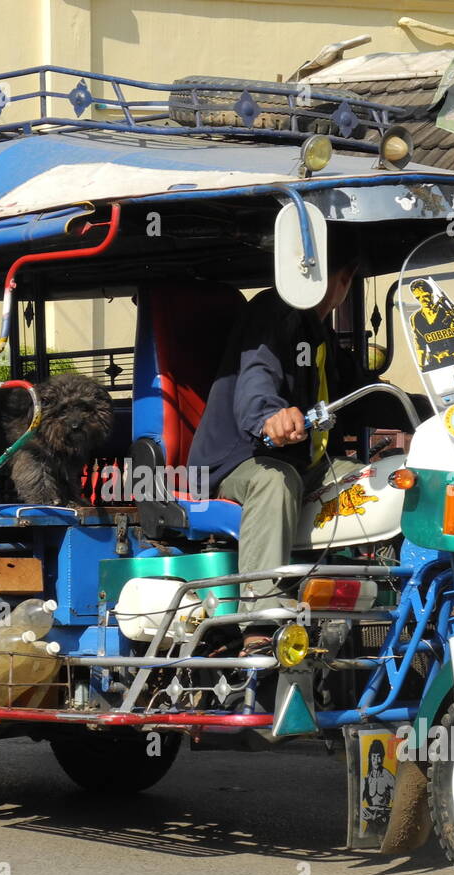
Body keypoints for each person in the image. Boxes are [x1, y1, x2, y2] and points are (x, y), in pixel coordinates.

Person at [187, 226, 379, 652]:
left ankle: (400, 596)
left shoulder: (319, 331)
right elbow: (256, 377)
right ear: (341, 278)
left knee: (384, 477)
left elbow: (360, 395)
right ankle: (262, 617)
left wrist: (441, 411)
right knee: (275, 480)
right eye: (345, 278)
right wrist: (269, 415)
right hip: (235, 463)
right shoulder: (273, 312)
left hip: (304, 463)